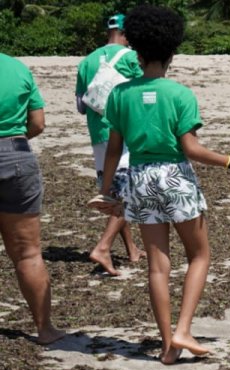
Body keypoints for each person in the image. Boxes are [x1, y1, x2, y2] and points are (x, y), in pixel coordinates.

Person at [96, 5, 230, 364]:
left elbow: (113, 150)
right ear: (172, 52)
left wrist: (107, 191)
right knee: (199, 255)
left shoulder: (120, 95)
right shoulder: (180, 94)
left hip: (139, 179)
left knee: (157, 266)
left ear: (137, 52)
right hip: (174, 177)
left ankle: (168, 346)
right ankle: (184, 329)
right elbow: (191, 148)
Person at [0, 54, 65, 345]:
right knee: (28, 253)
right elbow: (38, 123)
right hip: (16, 154)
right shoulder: (16, 68)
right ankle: (45, 328)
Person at [76, 13, 144, 276]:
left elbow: (81, 106)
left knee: (114, 193)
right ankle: (103, 247)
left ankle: (131, 249)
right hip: (124, 133)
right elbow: (141, 91)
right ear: (127, 34)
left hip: (97, 134)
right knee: (129, 193)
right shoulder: (130, 57)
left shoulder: (86, 61)